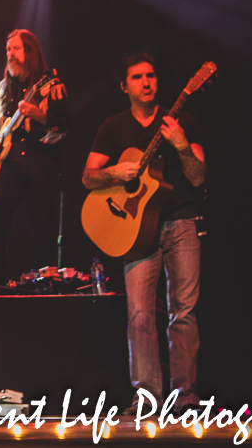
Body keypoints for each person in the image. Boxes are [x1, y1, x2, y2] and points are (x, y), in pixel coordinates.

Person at [83, 53, 205, 408]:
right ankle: (148, 396)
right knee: (139, 313)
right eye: (137, 77)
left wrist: (181, 145)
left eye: (151, 75)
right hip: (135, 229)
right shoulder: (113, 127)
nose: (146, 82)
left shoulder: (182, 121)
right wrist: (115, 173)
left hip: (181, 220)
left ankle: (186, 395)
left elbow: (198, 176)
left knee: (184, 311)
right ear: (125, 86)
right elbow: (88, 177)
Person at [0, 29, 68, 286]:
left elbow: (64, 123)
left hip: (42, 166)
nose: (11, 55)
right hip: (7, 167)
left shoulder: (50, 85)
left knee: (44, 228)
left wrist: (38, 114)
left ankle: (46, 283)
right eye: (8, 50)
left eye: (16, 49)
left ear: (30, 52)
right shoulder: (0, 91)